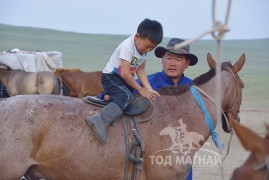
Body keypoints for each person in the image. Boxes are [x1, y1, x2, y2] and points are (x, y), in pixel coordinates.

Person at [86, 18, 163, 145]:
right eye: (147, 46)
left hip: (123, 80)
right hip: (111, 77)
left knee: (133, 99)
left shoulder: (143, 51)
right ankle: (100, 120)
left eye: (153, 48)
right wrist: (140, 89)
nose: (149, 50)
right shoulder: (128, 46)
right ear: (137, 37)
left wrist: (149, 89)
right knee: (126, 97)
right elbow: (125, 73)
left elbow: (141, 70)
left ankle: (110, 99)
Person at [136, 38, 198, 180]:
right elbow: (123, 92)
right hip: (150, 158)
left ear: (187, 63)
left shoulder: (193, 90)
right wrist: (105, 94)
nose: (172, 63)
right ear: (162, 59)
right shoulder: (147, 84)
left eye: (178, 59)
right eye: (169, 57)